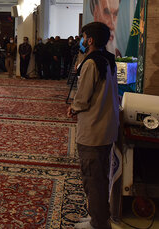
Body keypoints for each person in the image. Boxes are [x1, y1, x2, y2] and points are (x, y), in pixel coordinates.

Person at [66, 22, 119, 229]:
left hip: (93, 129)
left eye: (83, 36)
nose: (81, 40)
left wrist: (73, 108)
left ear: (90, 40)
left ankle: (98, 223)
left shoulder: (91, 63)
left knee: (93, 180)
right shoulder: (109, 59)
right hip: (107, 128)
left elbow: (83, 98)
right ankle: (98, 217)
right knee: (101, 176)